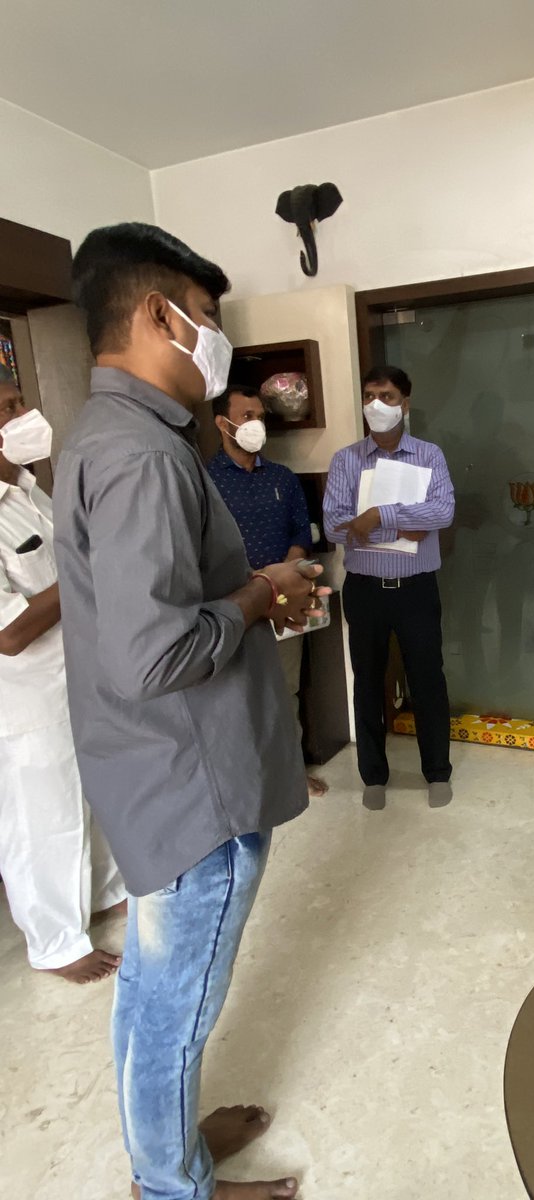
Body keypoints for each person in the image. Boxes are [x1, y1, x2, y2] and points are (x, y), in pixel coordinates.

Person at [53, 222, 327, 1200]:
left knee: (153, 992)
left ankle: (164, 1151)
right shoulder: (143, 455)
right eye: (207, 320)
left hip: (158, 772)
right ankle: (171, 1188)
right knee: (177, 1000)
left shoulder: (119, 433)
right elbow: (152, 652)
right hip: (191, 786)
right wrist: (256, 599)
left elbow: (154, 609)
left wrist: (247, 583)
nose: (216, 343)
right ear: (159, 316)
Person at [0, 366, 126, 983]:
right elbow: (10, 633)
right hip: (22, 703)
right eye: (6, 407)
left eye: (20, 399)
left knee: (86, 793)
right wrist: (85, 568)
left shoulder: (28, 490)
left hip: (74, 680)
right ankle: (53, 941)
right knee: (39, 817)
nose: (23, 416)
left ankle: (102, 891)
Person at [323, 365, 455, 810]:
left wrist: (378, 517)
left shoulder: (429, 456)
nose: (377, 405)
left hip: (417, 588)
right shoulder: (346, 460)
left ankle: (437, 771)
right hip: (365, 588)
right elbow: (336, 526)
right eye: (370, 395)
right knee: (367, 681)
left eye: (389, 396)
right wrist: (405, 526)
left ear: (406, 403)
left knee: (427, 679)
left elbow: (442, 513)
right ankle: (373, 776)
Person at [207, 382, 327, 796]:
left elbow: (302, 530)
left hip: (283, 600)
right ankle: (246, 782)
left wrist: (282, 574)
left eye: (259, 416)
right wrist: (251, 584)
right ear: (222, 423)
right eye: (246, 416)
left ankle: (290, 772)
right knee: (238, 695)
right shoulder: (205, 482)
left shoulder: (283, 477)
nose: (255, 424)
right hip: (231, 605)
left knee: (285, 689)